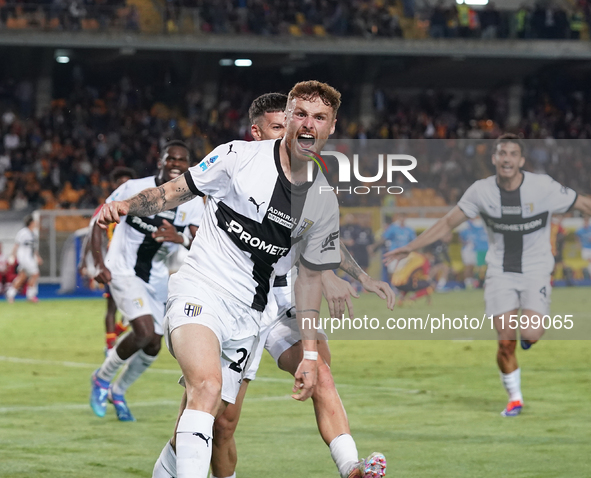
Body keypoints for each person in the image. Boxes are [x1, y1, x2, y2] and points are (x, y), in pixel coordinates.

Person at [98, 81, 387, 478]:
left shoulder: (320, 197)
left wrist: (310, 353)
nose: (308, 124)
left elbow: (310, 278)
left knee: (221, 420)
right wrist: (126, 205)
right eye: (300, 114)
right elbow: (174, 193)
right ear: (286, 119)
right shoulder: (236, 158)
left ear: (331, 127)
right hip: (203, 289)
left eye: (319, 118)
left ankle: (350, 467)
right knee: (207, 388)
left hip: (256, 312)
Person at [385, 133, 591, 417]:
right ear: (494, 158)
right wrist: (408, 247)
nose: (506, 158)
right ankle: (515, 397)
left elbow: (584, 204)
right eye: (501, 153)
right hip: (500, 272)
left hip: (536, 269)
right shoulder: (480, 191)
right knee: (505, 341)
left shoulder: (543, 187)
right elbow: (447, 223)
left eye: (512, 154)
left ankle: (529, 338)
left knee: (530, 332)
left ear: (521, 160)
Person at [89, 141, 204, 421]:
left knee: (153, 343)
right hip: (122, 269)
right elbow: (99, 221)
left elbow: (202, 242)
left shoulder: (192, 203)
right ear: (161, 161)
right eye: (171, 158)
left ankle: (119, 390)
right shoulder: (132, 189)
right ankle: (101, 378)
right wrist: (98, 262)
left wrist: (182, 238)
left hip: (156, 279)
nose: (176, 163)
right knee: (142, 332)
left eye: (182, 160)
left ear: (187, 166)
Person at [79, 166, 136, 351]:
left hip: (138, 265)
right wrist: (86, 261)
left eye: (128, 183)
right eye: (121, 183)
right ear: (114, 186)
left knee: (134, 312)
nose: (125, 187)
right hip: (115, 264)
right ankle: (109, 346)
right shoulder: (105, 208)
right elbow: (91, 234)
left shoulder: (140, 206)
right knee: (111, 307)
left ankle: (118, 332)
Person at [5, 214, 42, 303]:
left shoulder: (34, 233)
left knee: (22, 277)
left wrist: (37, 256)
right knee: (35, 274)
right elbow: (16, 245)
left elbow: (33, 248)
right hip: (25, 257)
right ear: (31, 222)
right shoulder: (23, 232)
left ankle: (10, 294)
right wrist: (12, 256)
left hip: (30, 257)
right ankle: (30, 296)